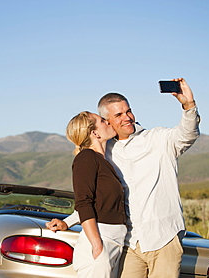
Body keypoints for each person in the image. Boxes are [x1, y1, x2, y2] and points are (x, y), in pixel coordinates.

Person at [46, 78, 200, 278]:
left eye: (128, 111)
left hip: (163, 238)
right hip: (128, 243)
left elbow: (188, 134)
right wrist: (68, 222)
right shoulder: (103, 153)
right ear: (107, 121)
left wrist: (188, 105)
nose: (127, 117)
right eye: (118, 115)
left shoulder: (158, 139)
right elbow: (95, 201)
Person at [58, 111, 127, 278]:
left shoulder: (103, 162)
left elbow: (97, 203)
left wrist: (66, 223)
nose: (109, 122)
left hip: (114, 243)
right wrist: (97, 246)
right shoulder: (86, 158)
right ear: (94, 133)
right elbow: (83, 202)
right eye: (103, 120)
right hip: (100, 244)